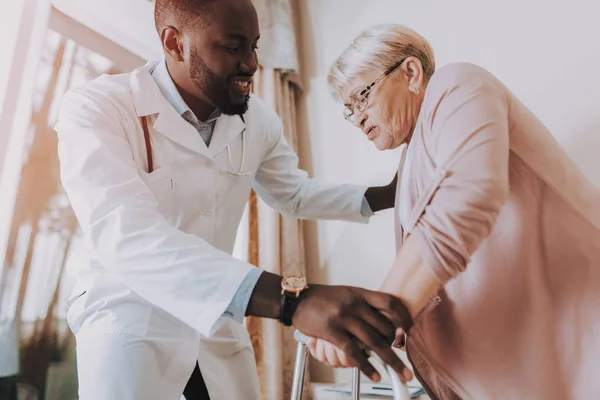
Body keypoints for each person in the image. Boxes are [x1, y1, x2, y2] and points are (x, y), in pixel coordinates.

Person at [54, 1, 414, 399]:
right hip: (130, 317)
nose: (251, 63)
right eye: (233, 47)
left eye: (255, 46)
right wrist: (293, 299)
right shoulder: (99, 108)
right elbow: (128, 236)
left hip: (215, 322)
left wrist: (385, 195)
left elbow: (292, 193)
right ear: (174, 43)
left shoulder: (257, 119)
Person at [307, 23, 600, 400]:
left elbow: (466, 199)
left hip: (573, 327)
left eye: (361, 97)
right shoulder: (412, 155)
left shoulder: (457, 83)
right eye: (349, 110)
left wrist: (376, 319)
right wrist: (370, 316)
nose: (357, 117)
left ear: (411, 73)